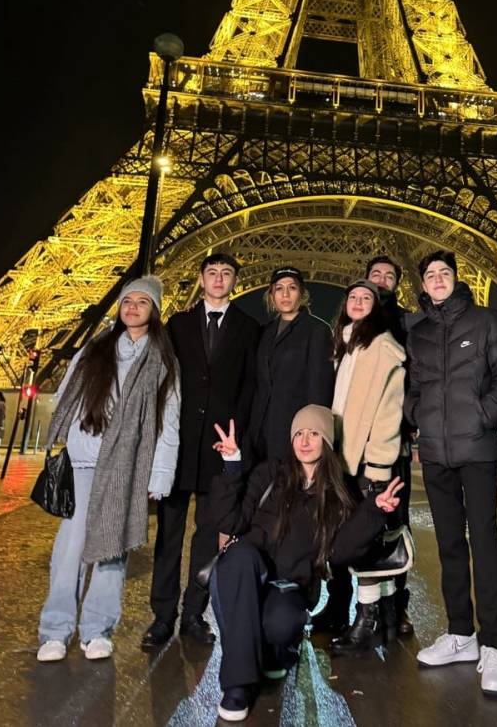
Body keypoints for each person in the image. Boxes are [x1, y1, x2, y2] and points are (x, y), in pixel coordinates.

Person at [210, 405, 404, 722]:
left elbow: (341, 552)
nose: (304, 441)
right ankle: (237, 687)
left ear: (326, 440)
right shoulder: (270, 474)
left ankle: (277, 651)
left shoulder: (336, 494)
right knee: (242, 555)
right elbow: (230, 521)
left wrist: (374, 512)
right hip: (244, 576)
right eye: (299, 433)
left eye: (313, 433)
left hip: (287, 587)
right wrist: (232, 466)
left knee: (282, 624)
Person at [37, 276, 180, 663]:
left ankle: (97, 629)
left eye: (143, 302)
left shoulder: (164, 361)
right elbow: (66, 395)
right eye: (127, 301)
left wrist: (160, 474)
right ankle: (56, 629)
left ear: (155, 311)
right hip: (86, 461)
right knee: (71, 548)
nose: (133, 307)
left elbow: (169, 422)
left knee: (113, 549)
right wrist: (77, 435)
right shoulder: (95, 349)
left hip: (128, 465)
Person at [405, 250, 497, 696]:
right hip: (435, 451)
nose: (437, 278)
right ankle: (459, 633)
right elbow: (412, 386)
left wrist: (483, 417)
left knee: (484, 542)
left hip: (477, 449)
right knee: (449, 544)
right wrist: (419, 417)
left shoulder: (487, 321)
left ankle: (492, 645)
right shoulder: (419, 332)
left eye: (444, 272)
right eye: (430, 274)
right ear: (423, 283)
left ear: (456, 278)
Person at [143, 253, 260, 649]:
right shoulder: (177, 325)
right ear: (201, 277)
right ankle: (162, 616)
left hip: (220, 444)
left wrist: (238, 437)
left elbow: (250, 385)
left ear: (235, 281)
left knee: (209, 536)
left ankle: (194, 613)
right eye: (212, 272)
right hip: (179, 443)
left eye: (226, 273)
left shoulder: (248, 328)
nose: (219, 278)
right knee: (169, 537)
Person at [325, 279, 406, 655]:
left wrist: (377, 464)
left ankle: (367, 619)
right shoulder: (346, 344)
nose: (358, 302)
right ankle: (381, 618)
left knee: (366, 543)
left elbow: (389, 414)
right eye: (353, 296)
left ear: (376, 306)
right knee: (358, 538)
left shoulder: (381, 348)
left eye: (366, 298)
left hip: (367, 464)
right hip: (342, 459)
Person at [364, 254, 422, 636]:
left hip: (393, 439)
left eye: (389, 275)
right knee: (353, 521)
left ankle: (396, 606)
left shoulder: (408, 324)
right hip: (354, 440)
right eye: (376, 274)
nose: (382, 280)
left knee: (395, 522)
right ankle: (354, 605)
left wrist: (409, 421)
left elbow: (418, 375)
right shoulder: (352, 319)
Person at [247, 266, 334, 462]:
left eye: (292, 288)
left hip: (294, 431)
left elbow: (319, 391)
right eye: (279, 288)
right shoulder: (264, 332)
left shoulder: (317, 330)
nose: (285, 294)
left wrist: (309, 436)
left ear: (301, 294)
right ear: (271, 295)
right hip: (259, 434)